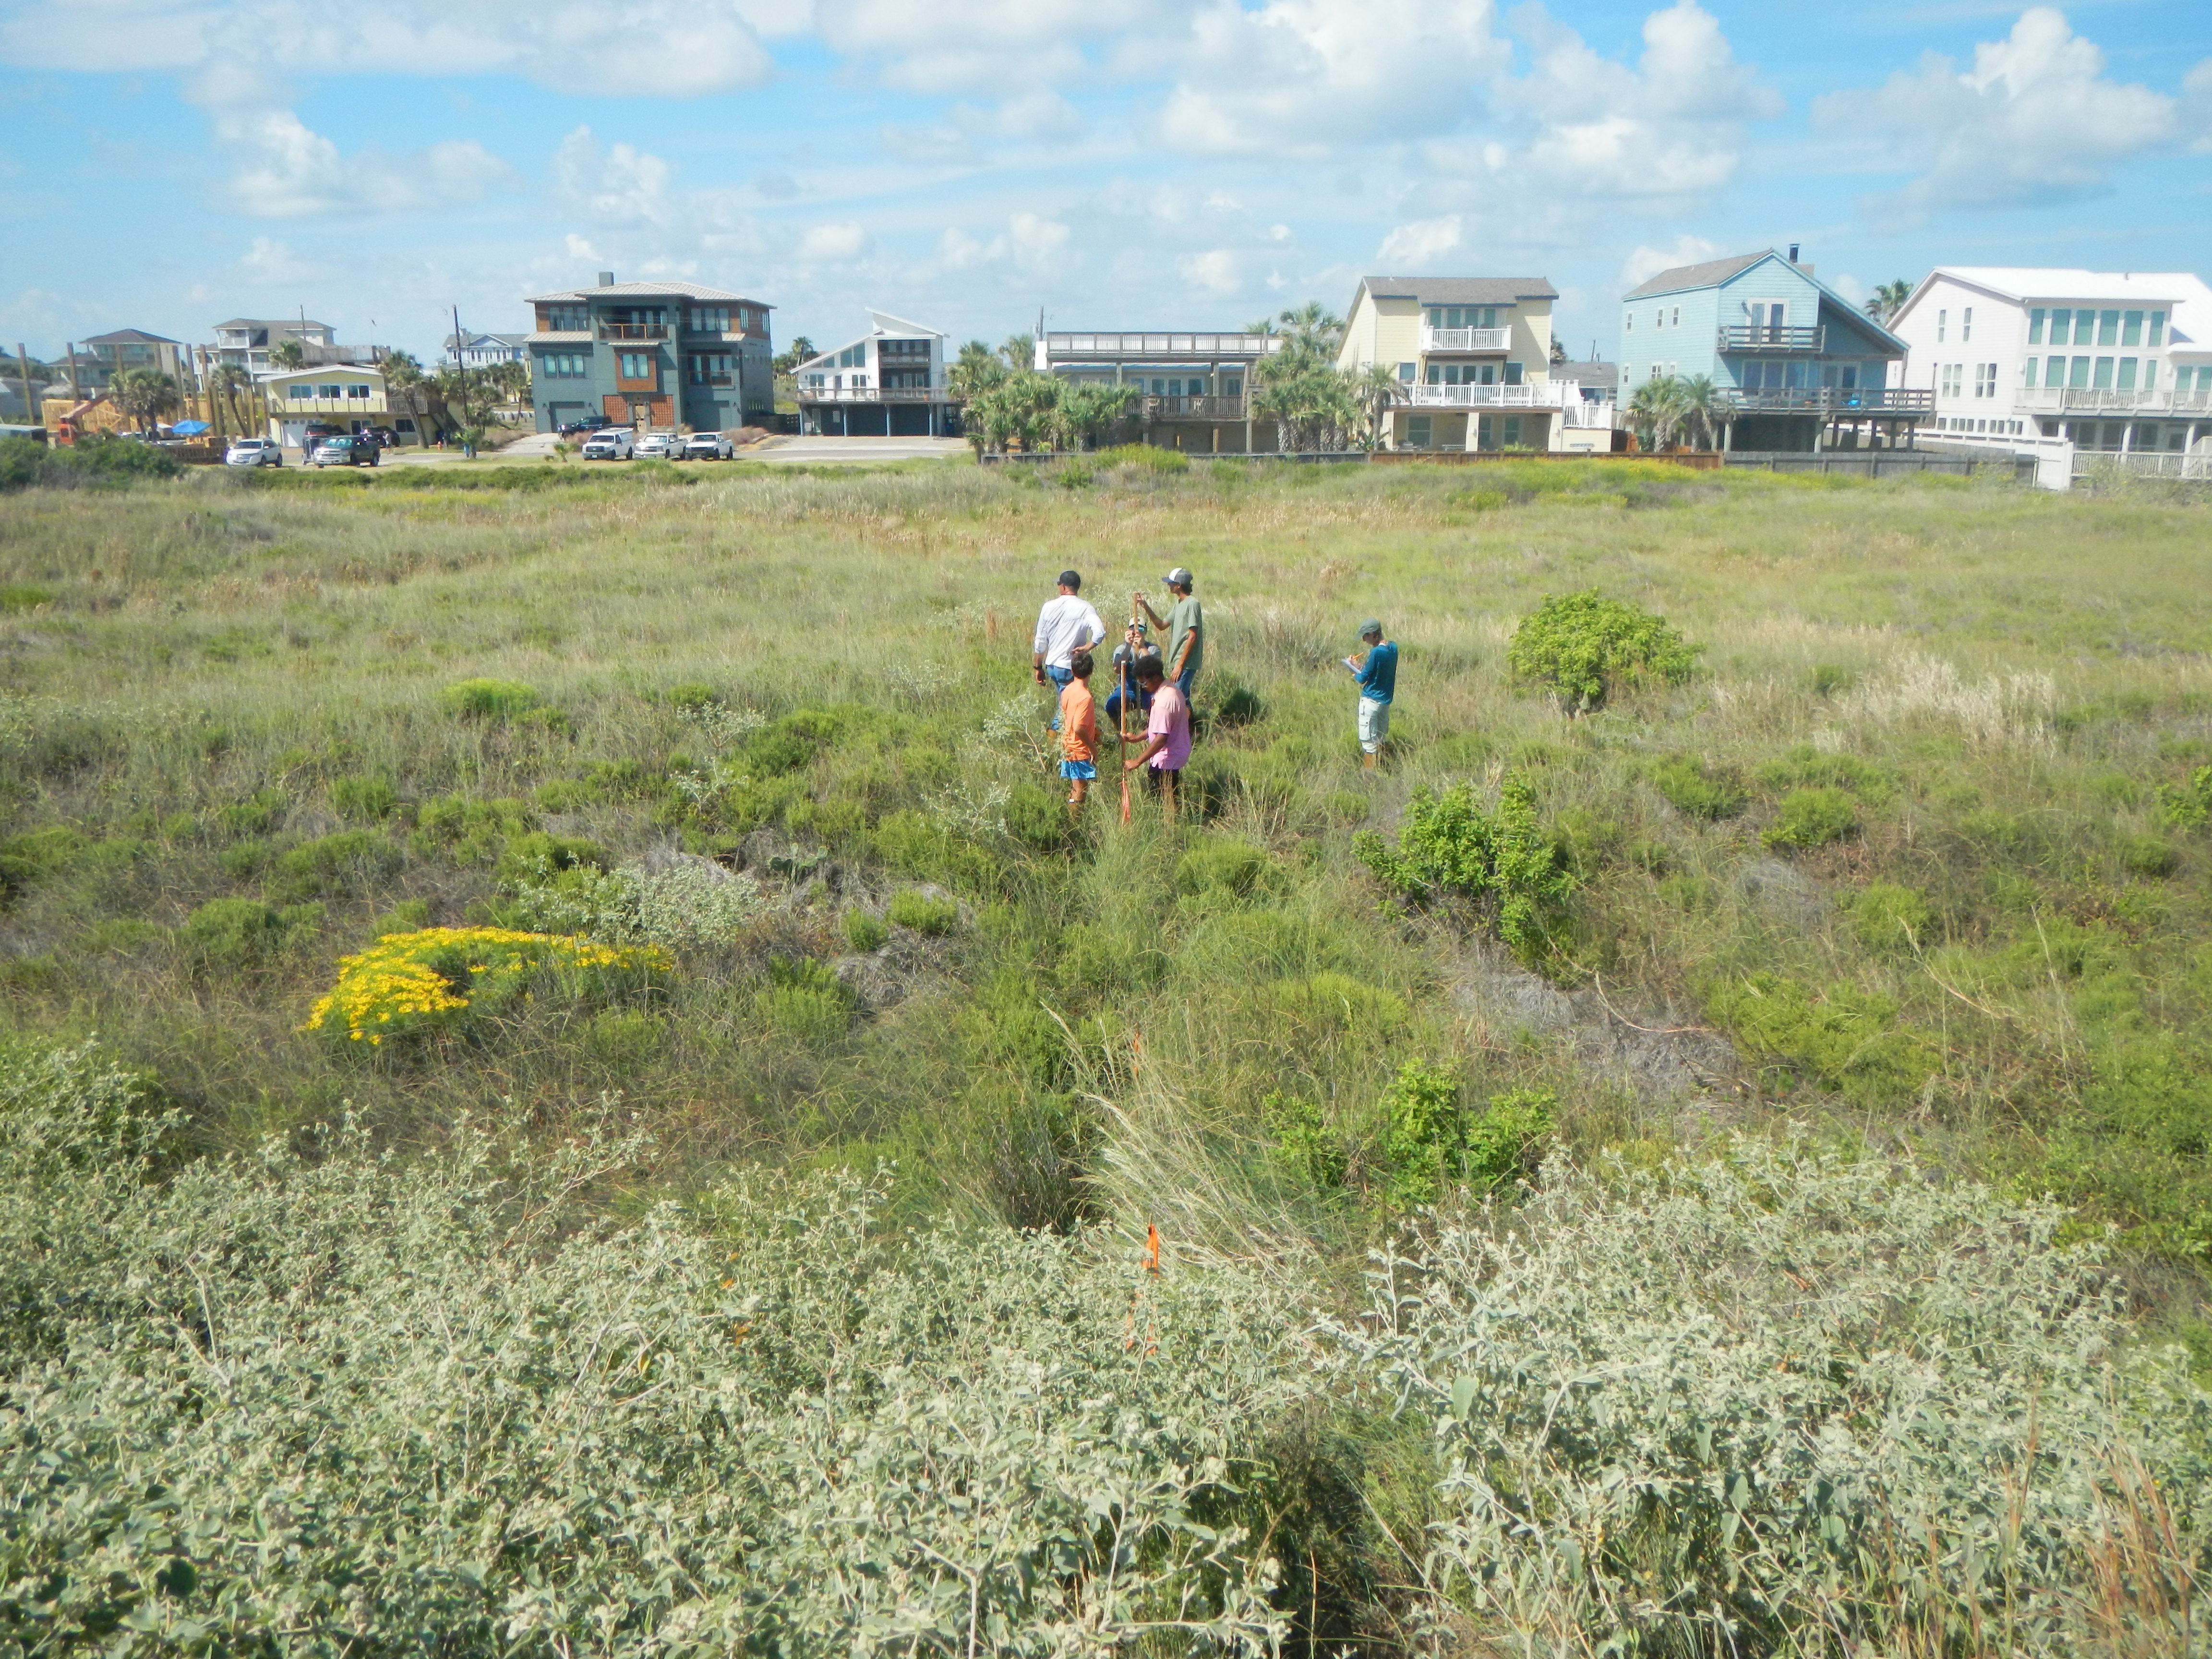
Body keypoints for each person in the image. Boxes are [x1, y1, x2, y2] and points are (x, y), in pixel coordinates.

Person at [1034, 570, 1107, 732]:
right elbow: (1100, 632)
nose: (1059, 587)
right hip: (1070, 666)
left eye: (1059, 584)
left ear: (1065, 587)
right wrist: (1087, 648)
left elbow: (1040, 641)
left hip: (1052, 665)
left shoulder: (1048, 607)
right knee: (1067, 708)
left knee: (1066, 704)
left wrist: (1038, 667)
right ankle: (1058, 740)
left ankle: (1062, 741)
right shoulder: (1084, 608)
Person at [1119, 657, 1190, 819]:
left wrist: (1137, 762)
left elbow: (1161, 738)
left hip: (1166, 759)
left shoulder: (1163, 703)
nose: (1144, 688)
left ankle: (1168, 829)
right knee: (1170, 793)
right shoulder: (1173, 691)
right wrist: (1137, 738)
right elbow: (1158, 727)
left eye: (1144, 684)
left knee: (1162, 799)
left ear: (1156, 678)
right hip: (1176, 754)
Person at [1132, 567, 1202, 702]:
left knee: (1175, 699)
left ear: (1179, 585)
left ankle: (1183, 724)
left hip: (1185, 663)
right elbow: (1162, 625)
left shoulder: (1193, 604)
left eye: (1171, 583)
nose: (1168, 585)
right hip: (1177, 661)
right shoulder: (1179, 603)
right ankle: (1191, 723)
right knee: (1182, 700)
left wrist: (1180, 665)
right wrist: (1145, 606)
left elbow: (1193, 636)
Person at [1343, 619, 1397, 769]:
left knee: (1368, 743)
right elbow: (1374, 672)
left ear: (1373, 635)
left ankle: (1369, 777)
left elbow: (1362, 679)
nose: (1363, 640)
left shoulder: (1376, 652)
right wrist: (1358, 666)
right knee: (1381, 738)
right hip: (1385, 701)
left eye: (1365, 636)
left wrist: (1351, 668)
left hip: (1371, 700)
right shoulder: (1393, 648)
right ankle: (1384, 766)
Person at [1059, 650, 1099, 815]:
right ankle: (1074, 821)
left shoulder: (1067, 690)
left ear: (1073, 670)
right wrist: (1092, 748)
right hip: (1079, 750)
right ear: (1091, 671)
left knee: (1076, 789)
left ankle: (1071, 810)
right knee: (1080, 791)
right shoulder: (1085, 697)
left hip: (1067, 746)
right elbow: (1078, 727)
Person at [1105, 618, 1159, 733]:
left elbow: (1156, 670)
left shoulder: (1153, 649)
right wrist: (1129, 645)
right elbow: (1117, 669)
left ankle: (1152, 732)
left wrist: (1142, 647)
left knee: (1159, 706)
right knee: (1111, 705)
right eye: (1133, 628)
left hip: (1147, 690)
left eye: (1140, 628)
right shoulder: (1122, 649)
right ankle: (1123, 731)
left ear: (1145, 631)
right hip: (1128, 689)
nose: (1137, 631)